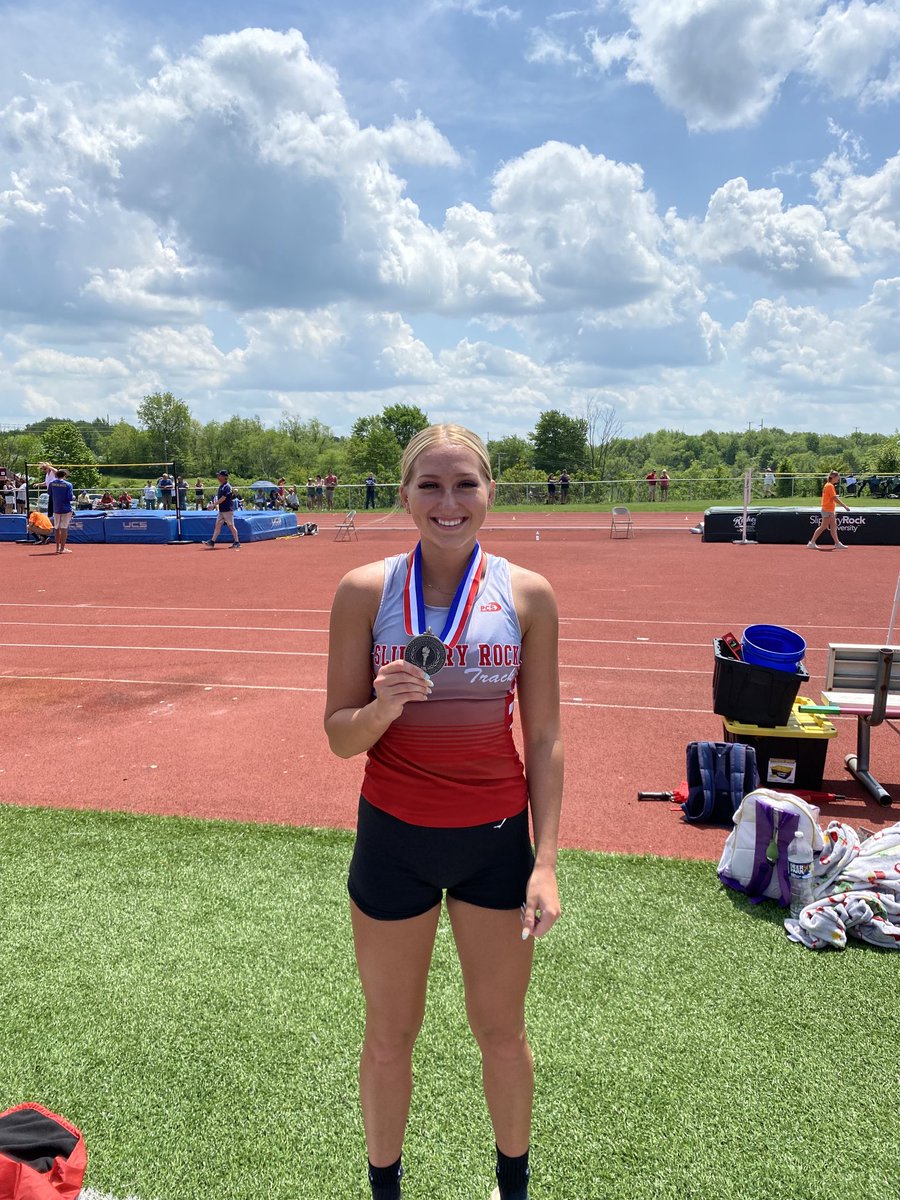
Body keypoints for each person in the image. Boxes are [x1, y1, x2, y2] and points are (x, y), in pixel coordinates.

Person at [325, 423, 562, 1200]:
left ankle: (513, 1188)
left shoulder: (527, 594)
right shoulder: (365, 591)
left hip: (496, 845)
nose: (448, 501)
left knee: (502, 1032)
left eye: (466, 484)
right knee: (390, 1036)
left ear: (490, 492)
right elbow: (339, 736)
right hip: (393, 842)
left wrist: (546, 862)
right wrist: (380, 709)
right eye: (430, 484)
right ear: (404, 495)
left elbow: (545, 737)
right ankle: (385, 1190)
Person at [808, 470, 851, 550]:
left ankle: (837, 543)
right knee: (824, 526)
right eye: (838, 477)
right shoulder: (830, 486)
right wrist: (845, 506)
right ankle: (812, 542)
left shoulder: (828, 485)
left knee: (833, 526)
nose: (839, 479)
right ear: (833, 477)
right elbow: (834, 498)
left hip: (828, 509)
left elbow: (832, 498)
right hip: (827, 509)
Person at [203, 470, 241, 550]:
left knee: (231, 525)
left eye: (220, 476)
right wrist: (214, 505)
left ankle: (237, 542)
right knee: (218, 525)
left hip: (227, 510)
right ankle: (212, 541)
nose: (218, 477)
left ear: (224, 477)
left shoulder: (227, 486)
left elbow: (223, 498)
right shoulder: (221, 486)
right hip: (222, 510)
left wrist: (213, 505)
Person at [47, 469, 75, 554]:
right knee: (64, 528)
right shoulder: (68, 484)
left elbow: (49, 493)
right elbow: (69, 497)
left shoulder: (52, 483)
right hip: (66, 508)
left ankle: (57, 548)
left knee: (56, 527)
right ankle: (62, 548)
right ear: (64, 475)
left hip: (56, 508)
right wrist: (74, 497)